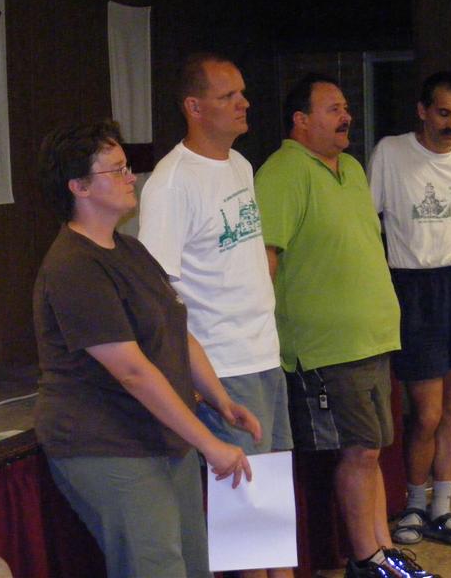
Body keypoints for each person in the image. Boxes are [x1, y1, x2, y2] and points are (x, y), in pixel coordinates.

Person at [33, 121, 261, 578]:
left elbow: (178, 331)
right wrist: (209, 444)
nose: (130, 177)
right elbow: (131, 371)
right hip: (109, 443)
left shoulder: (130, 250)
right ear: (79, 186)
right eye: (116, 170)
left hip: (160, 436)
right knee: (156, 566)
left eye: (127, 167)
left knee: (194, 565)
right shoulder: (74, 266)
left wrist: (220, 399)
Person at [256, 74, 439, 578]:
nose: (347, 117)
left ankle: (384, 550)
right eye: (333, 109)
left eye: (346, 108)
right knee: (358, 451)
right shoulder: (282, 172)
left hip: (372, 340)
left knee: (372, 451)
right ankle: (366, 560)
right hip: (325, 347)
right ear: (301, 120)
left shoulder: (353, 168)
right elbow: (264, 260)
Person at [138, 53, 293, 578]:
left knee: (272, 506)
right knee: (246, 520)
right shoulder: (171, 183)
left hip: (265, 355)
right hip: (223, 365)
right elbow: (157, 292)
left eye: (242, 92)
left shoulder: (241, 165)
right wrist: (197, 379)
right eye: (228, 96)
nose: (244, 103)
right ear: (194, 107)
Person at [368, 71, 451, 549]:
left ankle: (443, 506)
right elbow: (369, 217)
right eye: (444, 113)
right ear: (423, 110)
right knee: (426, 411)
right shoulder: (391, 152)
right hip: (414, 286)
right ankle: (413, 504)